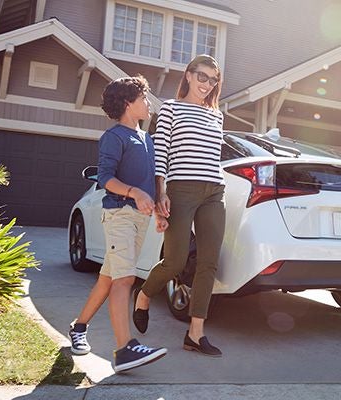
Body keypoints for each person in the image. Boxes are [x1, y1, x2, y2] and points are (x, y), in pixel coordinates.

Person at [67, 76, 169, 373]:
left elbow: (150, 181)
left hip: (139, 219)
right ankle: (125, 349)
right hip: (119, 215)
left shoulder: (146, 138)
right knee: (125, 279)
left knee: (108, 279)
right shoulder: (114, 137)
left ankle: (78, 327)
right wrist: (134, 192)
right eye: (143, 98)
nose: (148, 103)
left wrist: (158, 209)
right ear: (127, 103)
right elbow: (105, 178)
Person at [133, 54, 225, 357]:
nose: (207, 85)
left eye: (213, 80)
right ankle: (144, 294)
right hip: (181, 190)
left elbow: (212, 156)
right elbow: (161, 154)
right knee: (175, 262)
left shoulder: (217, 115)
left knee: (208, 263)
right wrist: (160, 193)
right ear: (188, 75)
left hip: (214, 192)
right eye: (202, 77)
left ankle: (195, 334)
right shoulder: (171, 108)